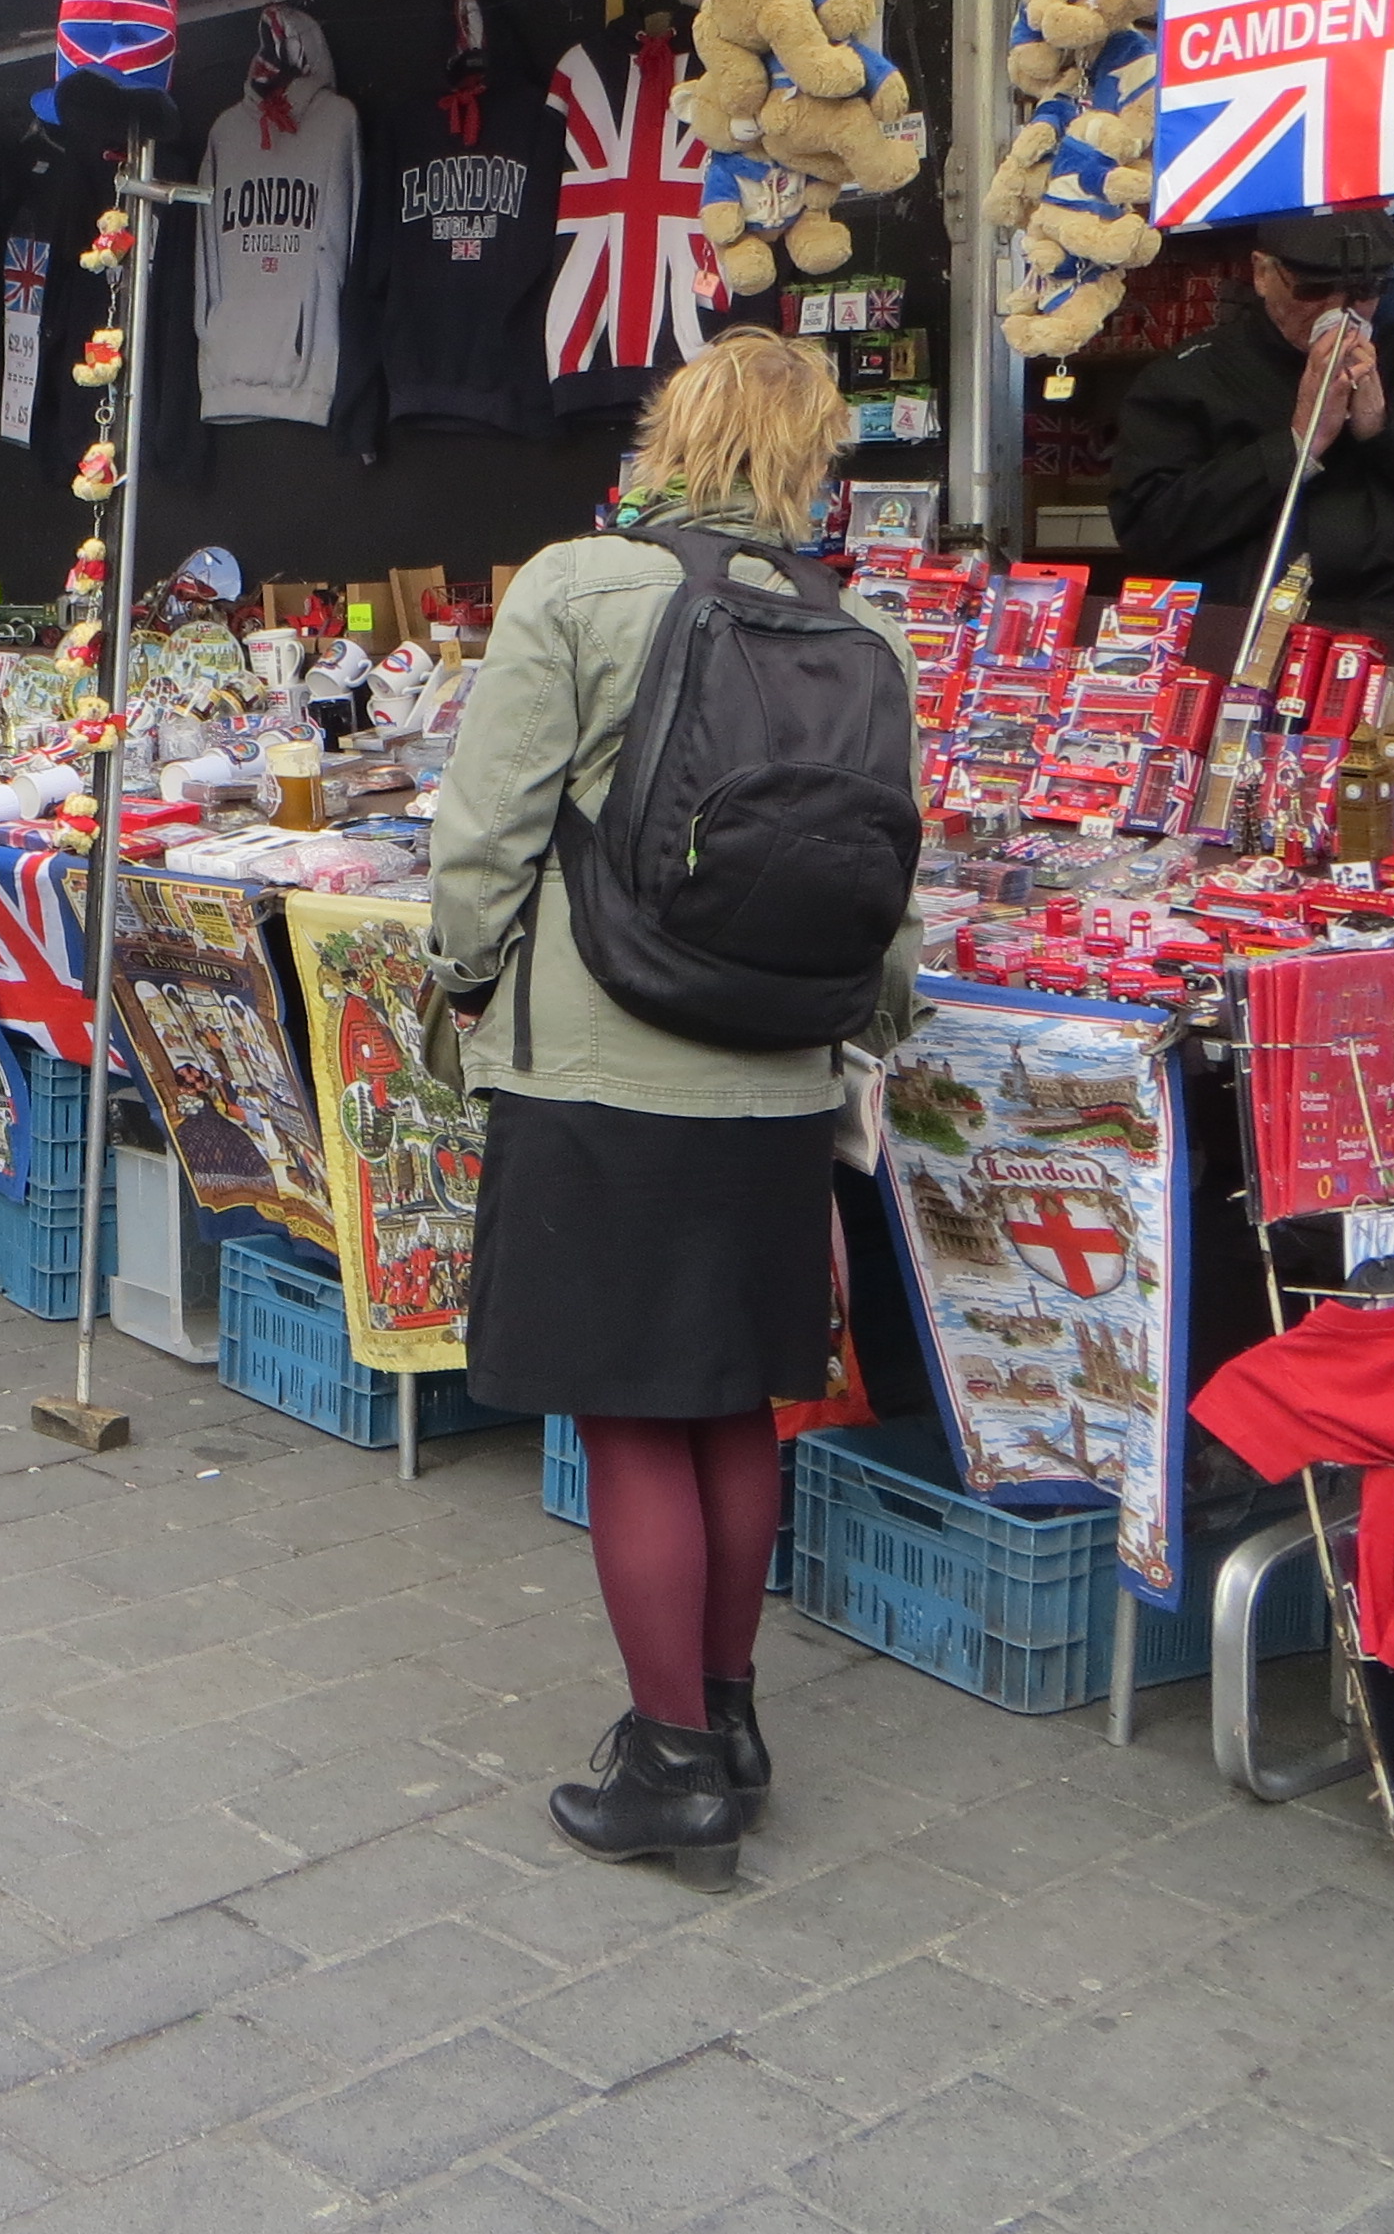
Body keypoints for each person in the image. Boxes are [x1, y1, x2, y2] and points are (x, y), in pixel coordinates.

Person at [426, 328, 918, 1888]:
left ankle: (674, 1766)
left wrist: (462, 976)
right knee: (728, 1402)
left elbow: (486, 831)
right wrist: (859, 1032)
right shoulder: (865, 629)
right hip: (776, 1075)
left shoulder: (576, 586)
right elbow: (891, 889)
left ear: (670, 438)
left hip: (602, 1061)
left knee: (631, 1407)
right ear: (813, 463)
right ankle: (732, 1716)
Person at [1107, 207, 1394, 717]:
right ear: (1263, 273)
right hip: (1249, 638)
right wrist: (1298, 444)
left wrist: (1383, 432)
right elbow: (1150, 532)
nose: (1340, 310)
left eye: (1365, 292)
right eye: (1313, 290)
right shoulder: (1187, 378)